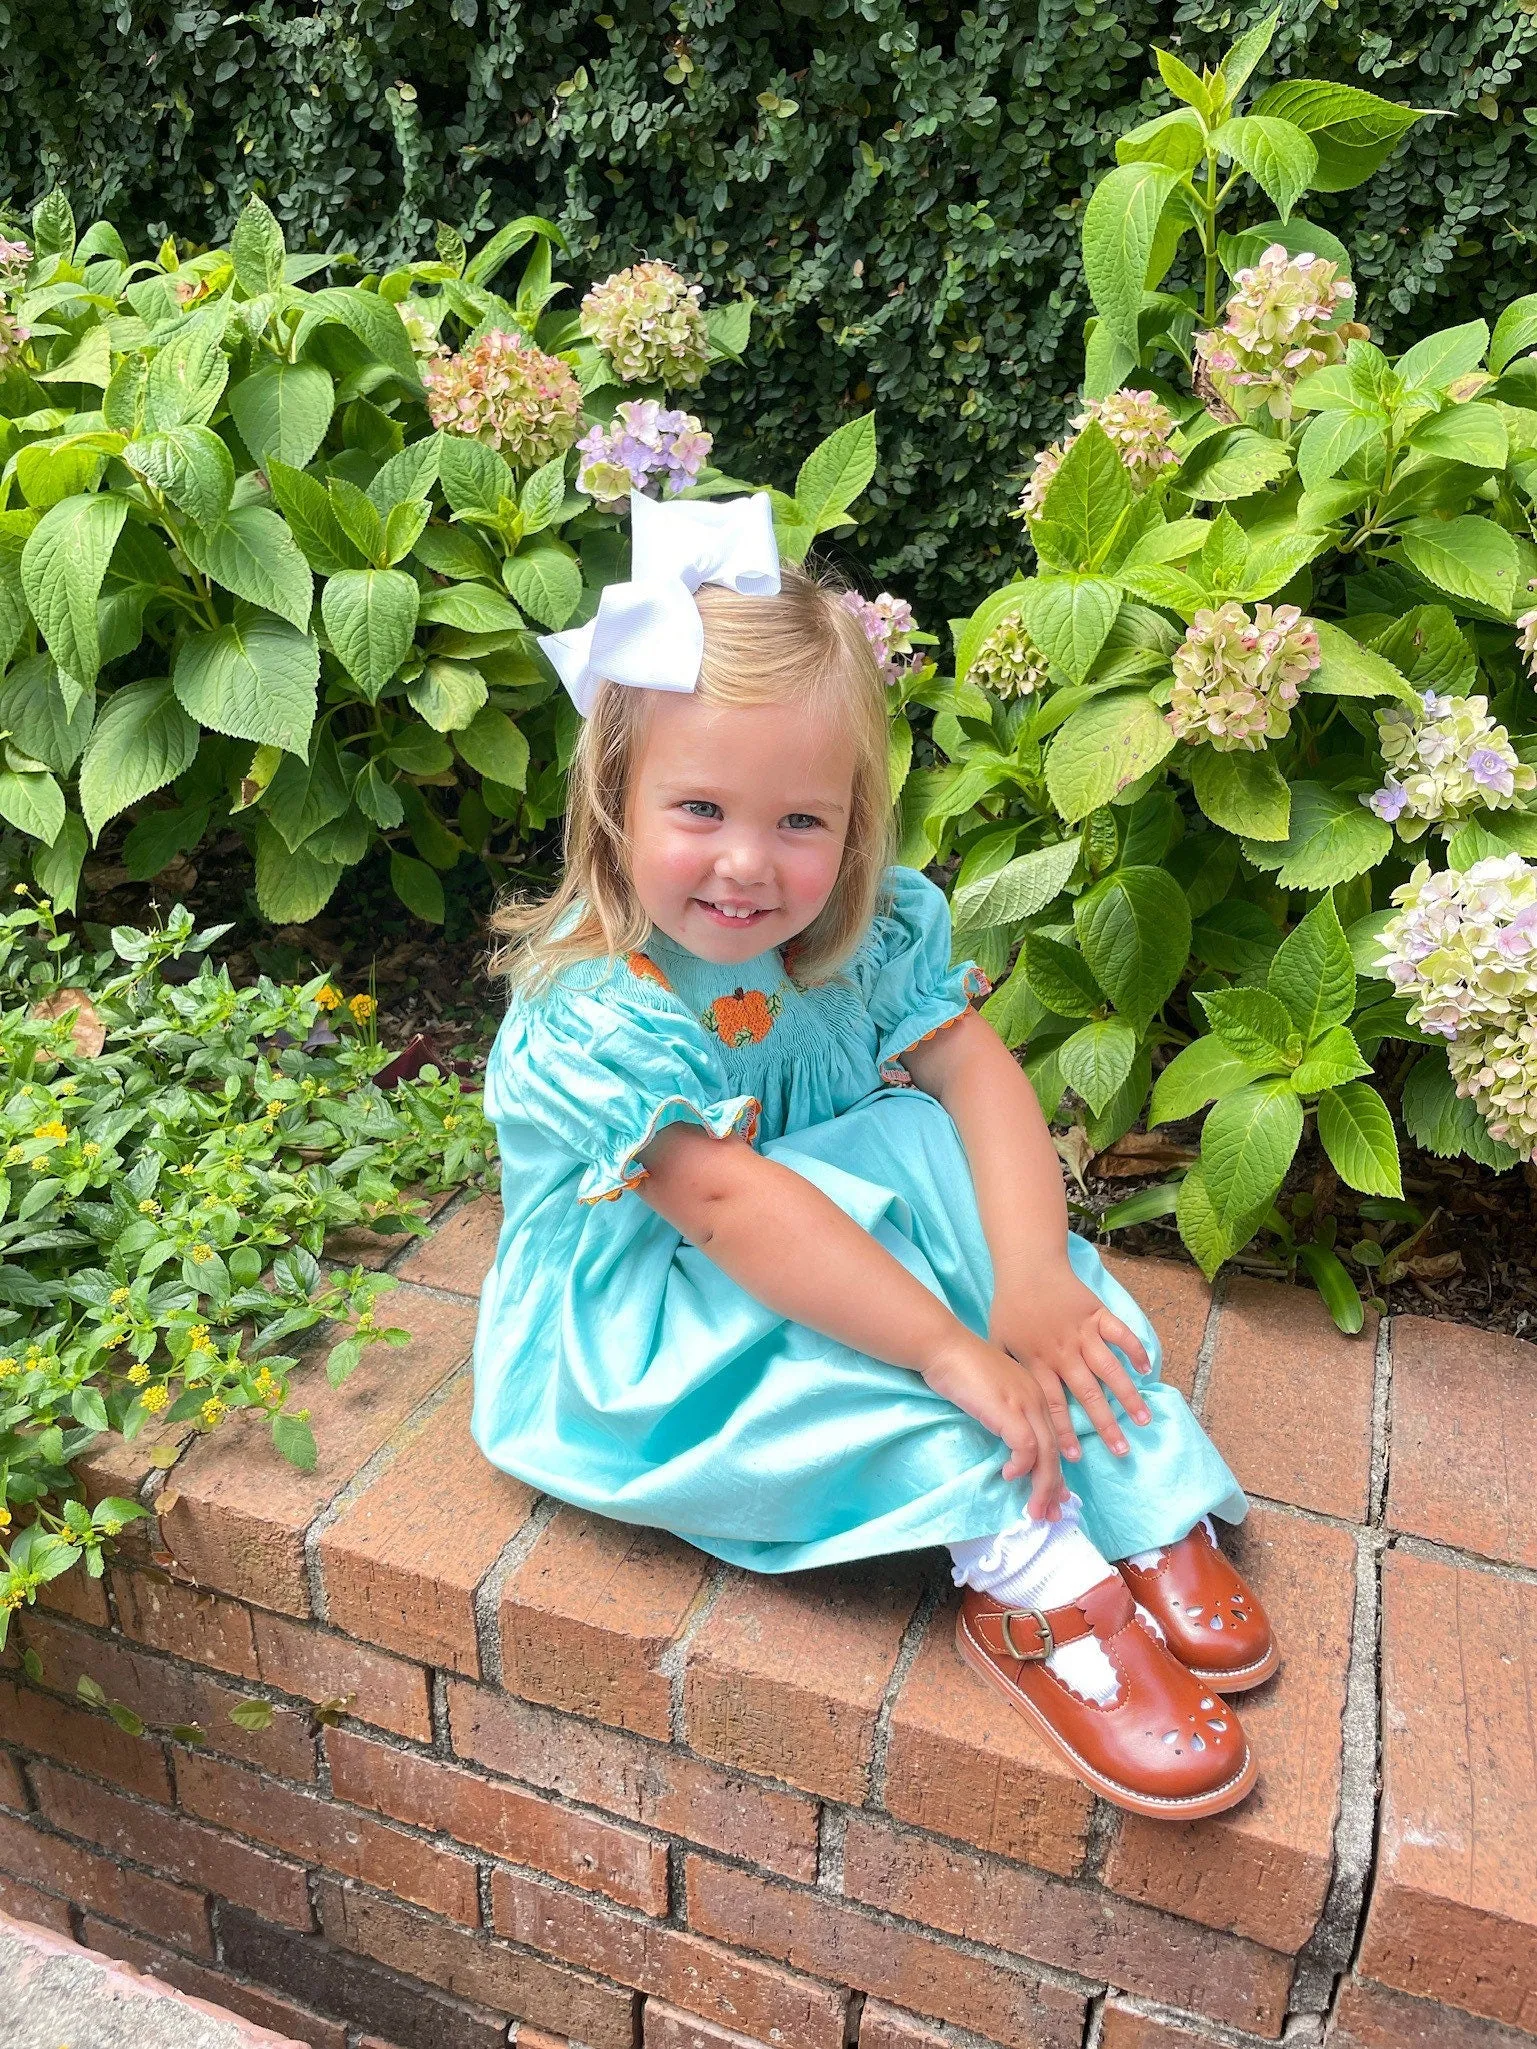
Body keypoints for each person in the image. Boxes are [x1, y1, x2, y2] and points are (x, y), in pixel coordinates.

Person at [471, 491, 1277, 1820]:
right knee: (854, 1361)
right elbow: (729, 1204)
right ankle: (1023, 1558)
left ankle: (1120, 1462)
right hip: (668, 1294)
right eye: (701, 808)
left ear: (857, 819)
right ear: (613, 800)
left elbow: (977, 1075)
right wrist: (952, 1347)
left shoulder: (867, 934)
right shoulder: (600, 1007)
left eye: (803, 821)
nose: (749, 864)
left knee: (934, 1151)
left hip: (827, 1219)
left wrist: (1023, 1283)